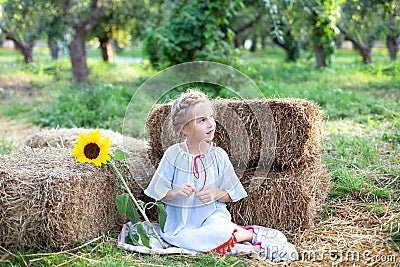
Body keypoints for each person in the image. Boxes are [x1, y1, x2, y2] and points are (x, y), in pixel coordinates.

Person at [144, 89, 297, 262]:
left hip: (212, 216)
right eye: (202, 120)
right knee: (181, 240)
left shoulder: (218, 155)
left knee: (219, 230)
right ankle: (249, 247)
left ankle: (248, 235)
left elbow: (231, 194)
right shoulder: (173, 155)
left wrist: (216, 193)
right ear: (185, 128)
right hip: (181, 223)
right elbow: (159, 193)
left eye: (210, 117)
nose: (211, 124)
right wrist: (176, 192)